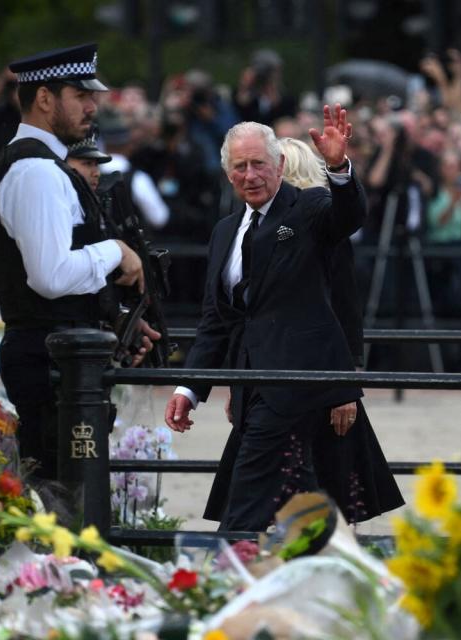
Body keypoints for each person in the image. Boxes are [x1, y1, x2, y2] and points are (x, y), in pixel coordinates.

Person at [164, 106, 367, 531]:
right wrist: (190, 387)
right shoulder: (225, 231)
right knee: (303, 500)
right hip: (248, 385)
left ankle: (222, 579)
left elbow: (347, 218)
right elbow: (214, 321)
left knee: (247, 501)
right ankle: (332, 569)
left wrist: (338, 169)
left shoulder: (308, 207)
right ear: (228, 174)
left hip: (294, 384)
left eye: (259, 163)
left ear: (279, 165)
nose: (251, 174)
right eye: (240, 166)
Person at [0, 43, 158, 480]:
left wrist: (117, 320)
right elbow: (50, 276)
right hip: (49, 359)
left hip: (57, 353)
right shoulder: (37, 171)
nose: (93, 106)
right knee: (65, 499)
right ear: (45, 98)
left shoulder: (41, 165)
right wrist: (115, 251)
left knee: (70, 495)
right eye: (81, 96)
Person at [215, 137, 403, 524]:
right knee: (286, 485)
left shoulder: (317, 223)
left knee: (323, 483)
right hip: (269, 378)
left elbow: (342, 308)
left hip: (319, 377)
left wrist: (342, 383)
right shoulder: (252, 229)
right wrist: (240, 381)